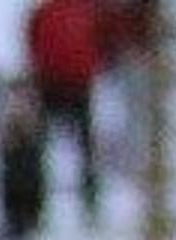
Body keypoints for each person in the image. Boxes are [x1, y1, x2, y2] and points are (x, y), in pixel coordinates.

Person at [29, 0, 111, 223]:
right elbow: (32, 41)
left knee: (84, 151)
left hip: (75, 85)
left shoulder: (86, 11)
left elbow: (103, 42)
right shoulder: (49, 12)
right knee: (43, 150)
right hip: (54, 85)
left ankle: (90, 203)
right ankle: (37, 204)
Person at [0, 77, 54, 240]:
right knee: (13, 224)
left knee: (24, 224)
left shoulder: (38, 126)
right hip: (13, 187)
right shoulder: (8, 123)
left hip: (29, 186)